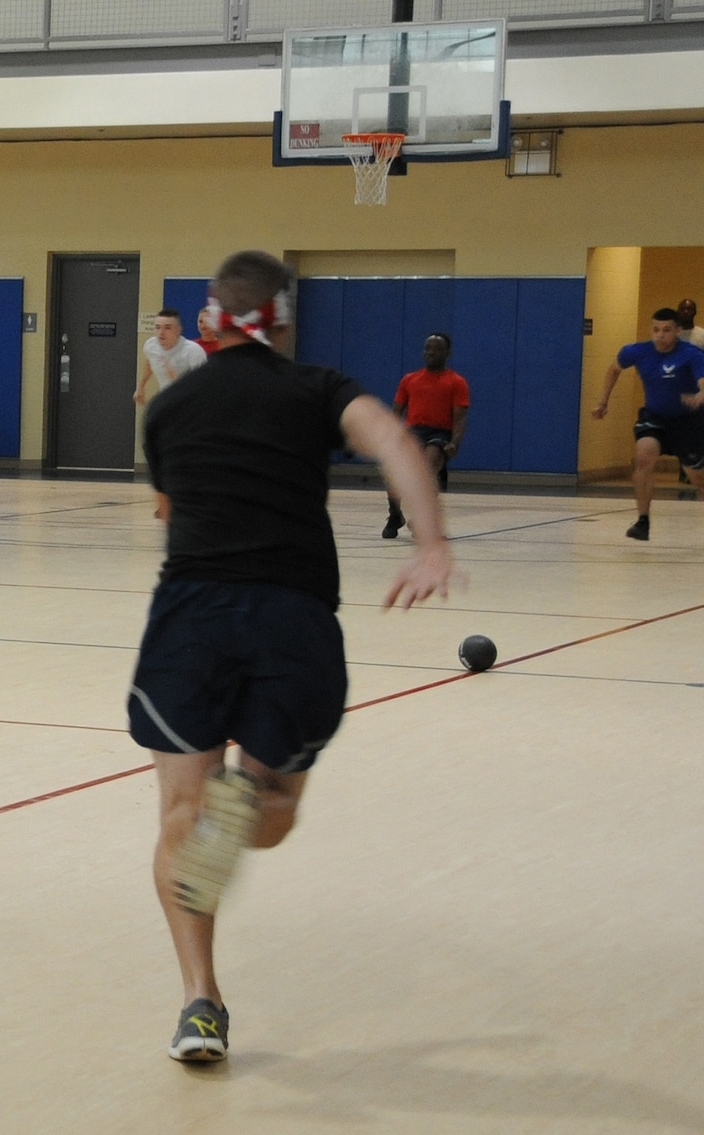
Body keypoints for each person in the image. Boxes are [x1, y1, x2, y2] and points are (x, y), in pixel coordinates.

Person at [132, 250, 454, 1064]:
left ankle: (200, 1001)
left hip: (193, 616)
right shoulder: (319, 388)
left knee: (180, 815)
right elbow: (394, 439)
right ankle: (246, 802)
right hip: (293, 619)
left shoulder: (169, 408)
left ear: (209, 320)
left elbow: (169, 508)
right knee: (271, 818)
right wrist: (431, 543)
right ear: (279, 320)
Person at [591, 307, 704, 540]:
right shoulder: (637, 351)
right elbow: (614, 370)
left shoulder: (691, 354)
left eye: (667, 330)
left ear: (678, 331)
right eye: (656, 329)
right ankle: (643, 521)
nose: (660, 335)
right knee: (644, 455)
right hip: (656, 417)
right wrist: (603, 402)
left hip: (690, 422)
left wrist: (701, 396)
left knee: (696, 476)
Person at [383, 333, 470, 538]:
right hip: (413, 431)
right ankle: (395, 514)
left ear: (448, 353)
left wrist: (455, 442)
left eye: (437, 349)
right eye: (427, 348)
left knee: (427, 467)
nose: (431, 352)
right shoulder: (409, 379)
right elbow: (396, 411)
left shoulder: (457, 382)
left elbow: (459, 418)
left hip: (439, 433)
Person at [135, 308, 208, 407]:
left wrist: (176, 379)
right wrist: (141, 386)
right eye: (157, 327)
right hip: (168, 402)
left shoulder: (194, 351)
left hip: (191, 405)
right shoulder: (151, 345)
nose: (161, 332)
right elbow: (149, 362)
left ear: (178, 330)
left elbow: (202, 387)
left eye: (167, 328)